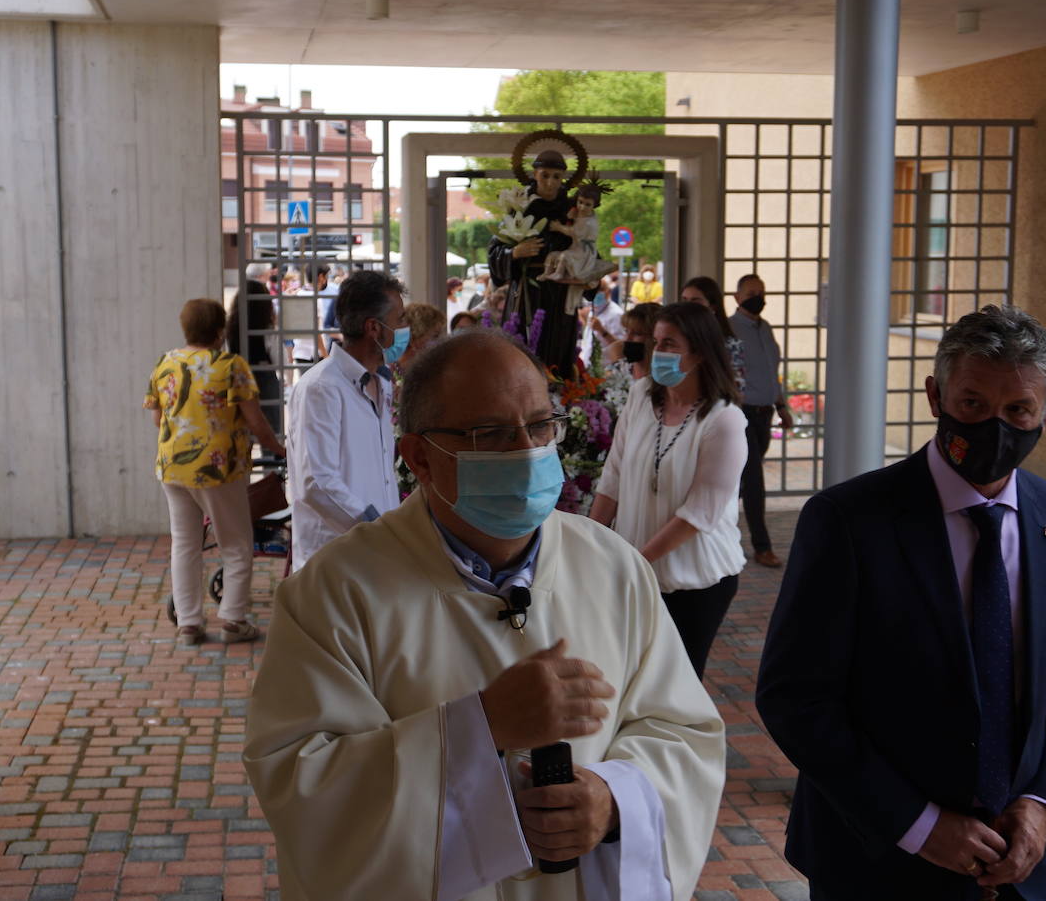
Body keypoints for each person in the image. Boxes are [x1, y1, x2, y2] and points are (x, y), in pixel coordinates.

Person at [244, 328, 726, 900]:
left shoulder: (613, 568)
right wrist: (482, 727)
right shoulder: (335, 593)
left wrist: (613, 797)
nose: (527, 451)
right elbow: (302, 784)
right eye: (492, 433)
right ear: (420, 457)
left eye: (541, 425)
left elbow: (683, 731)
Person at [756, 305, 1046, 901]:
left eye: (1018, 410)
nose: (995, 426)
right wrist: (920, 826)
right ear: (936, 396)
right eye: (972, 404)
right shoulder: (847, 521)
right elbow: (796, 699)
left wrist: (1043, 806)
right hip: (878, 857)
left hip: (1020, 863)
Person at [589, 303, 746, 678]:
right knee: (631, 680)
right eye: (657, 342)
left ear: (701, 352)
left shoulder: (724, 420)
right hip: (639, 573)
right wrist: (589, 543)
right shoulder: (642, 394)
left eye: (670, 344)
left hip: (695, 580)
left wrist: (635, 565)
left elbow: (699, 514)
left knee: (678, 687)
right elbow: (613, 475)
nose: (658, 352)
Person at [143, 298, 286, 646]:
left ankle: (189, 624)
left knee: (185, 543)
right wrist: (282, 449)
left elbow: (157, 418)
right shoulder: (230, 365)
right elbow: (257, 422)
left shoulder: (166, 363)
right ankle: (233, 620)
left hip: (173, 467)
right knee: (236, 543)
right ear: (221, 330)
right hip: (218, 469)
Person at [285, 270, 409, 570]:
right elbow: (316, 482)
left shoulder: (382, 383)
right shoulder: (321, 388)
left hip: (377, 553)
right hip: (335, 560)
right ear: (373, 328)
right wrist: (376, 527)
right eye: (400, 319)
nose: (406, 328)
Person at [488, 149, 582, 372]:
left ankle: (559, 395)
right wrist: (515, 253)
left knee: (557, 350)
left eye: (556, 177)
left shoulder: (572, 211)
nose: (550, 183)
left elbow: (586, 246)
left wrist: (589, 278)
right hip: (526, 292)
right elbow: (495, 251)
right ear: (534, 175)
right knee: (523, 347)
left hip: (561, 293)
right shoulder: (519, 209)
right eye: (545, 175)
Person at [727, 274, 791, 568]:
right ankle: (762, 546)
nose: (758, 297)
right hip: (742, 413)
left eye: (761, 292)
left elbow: (771, 372)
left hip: (765, 413)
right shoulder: (728, 329)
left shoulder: (765, 329)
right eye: (751, 292)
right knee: (753, 478)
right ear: (737, 297)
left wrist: (782, 406)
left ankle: (715, 525)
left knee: (739, 482)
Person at [226, 278, 282, 431]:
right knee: (272, 430)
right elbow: (278, 360)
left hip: (237, 380)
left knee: (240, 431)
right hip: (265, 379)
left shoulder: (230, 328)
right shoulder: (268, 328)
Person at [679, 276, 745, 396]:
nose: (687, 306)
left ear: (712, 306)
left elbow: (737, 386)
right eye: (684, 300)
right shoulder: (678, 338)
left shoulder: (729, 343)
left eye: (695, 301)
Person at [539, 186, 615, 287]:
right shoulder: (584, 214)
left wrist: (559, 227)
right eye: (580, 202)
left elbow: (574, 232)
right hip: (576, 247)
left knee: (564, 256)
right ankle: (547, 272)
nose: (582, 207)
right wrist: (572, 215)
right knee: (552, 255)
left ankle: (559, 274)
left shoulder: (589, 222)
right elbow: (573, 218)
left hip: (584, 252)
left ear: (595, 205)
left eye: (587, 204)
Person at [603, 302, 662, 381]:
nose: (627, 338)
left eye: (637, 333)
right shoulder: (619, 368)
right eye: (626, 331)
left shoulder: (662, 378)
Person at [396, 301, 447, 375]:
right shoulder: (388, 369)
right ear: (416, 334)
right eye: (435, 336)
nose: (441, 340)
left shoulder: (432, 368)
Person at [579, 280, 625, 359]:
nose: (596, 294)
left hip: (606, 367)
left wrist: (602, 330)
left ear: (608, 291)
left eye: (600, 290)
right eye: (594, 291)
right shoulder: (593, 310)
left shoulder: (616, 314)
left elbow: (622, 347)